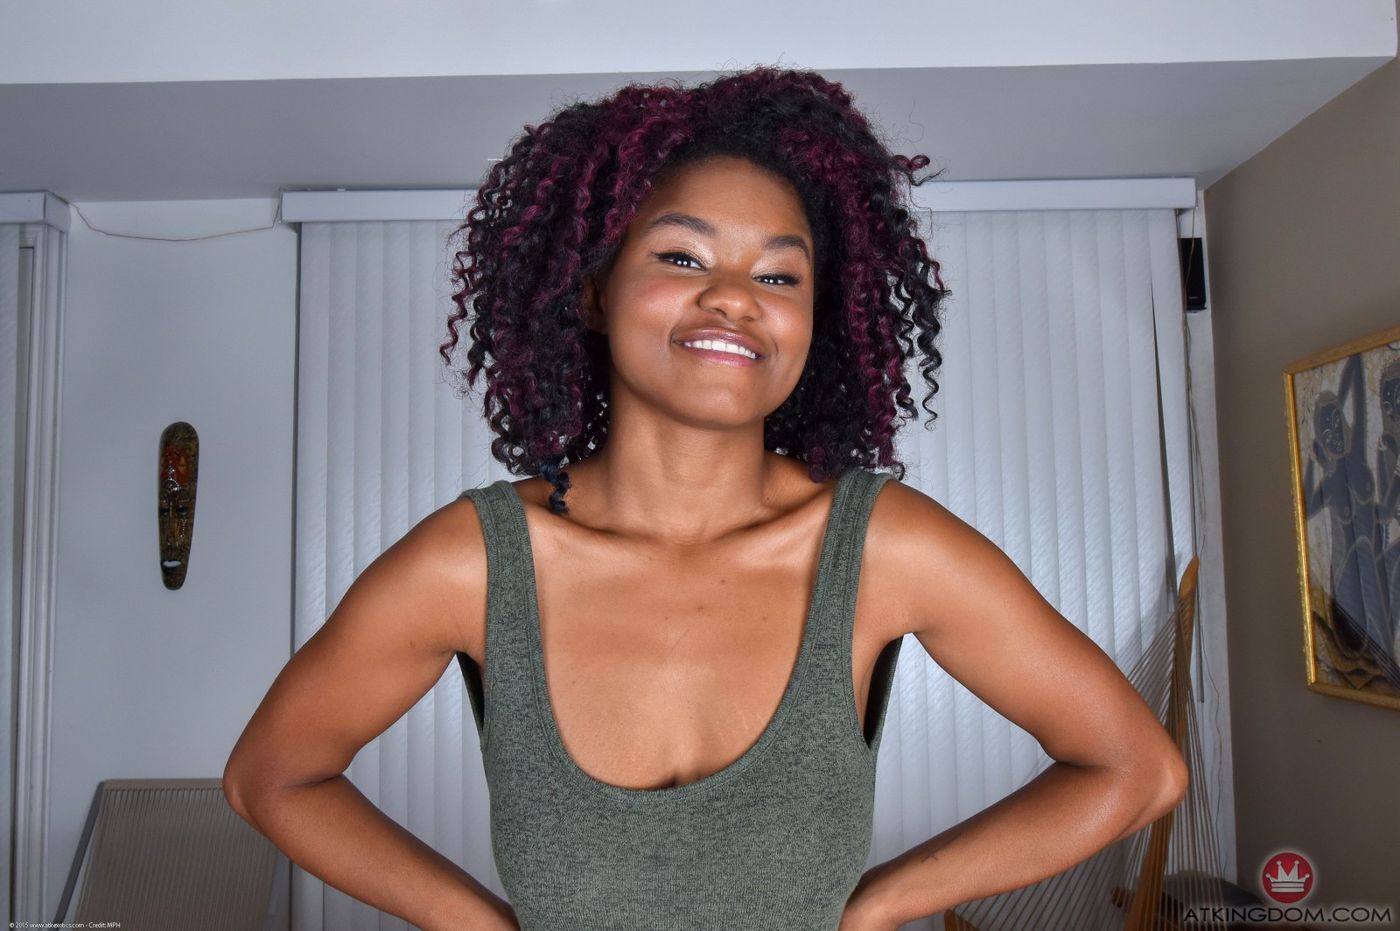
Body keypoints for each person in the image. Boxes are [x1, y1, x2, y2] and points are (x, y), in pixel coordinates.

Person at [223, 66, 1188, 931]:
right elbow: (272, 775)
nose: (736, 297)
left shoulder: (883, 549)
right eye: (683, 257)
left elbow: (1137, 768)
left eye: (779, 273)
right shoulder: (473, 563)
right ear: (594, 290)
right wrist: (468, 921)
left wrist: (881, 905)